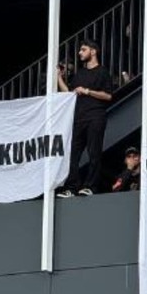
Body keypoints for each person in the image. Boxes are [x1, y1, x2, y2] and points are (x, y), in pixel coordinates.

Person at [56, 39, 114, 197]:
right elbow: (69, 94)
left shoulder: (102, 72)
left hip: (96, 116)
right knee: (72, 153)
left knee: (94, 152)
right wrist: (59, 78)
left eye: (83, 49)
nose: (80, 53)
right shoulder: (80, 73)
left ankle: (90, 186)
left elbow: (108, 95)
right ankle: (72, 187)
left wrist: (88, 91)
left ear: (93, 51)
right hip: (79, 117)